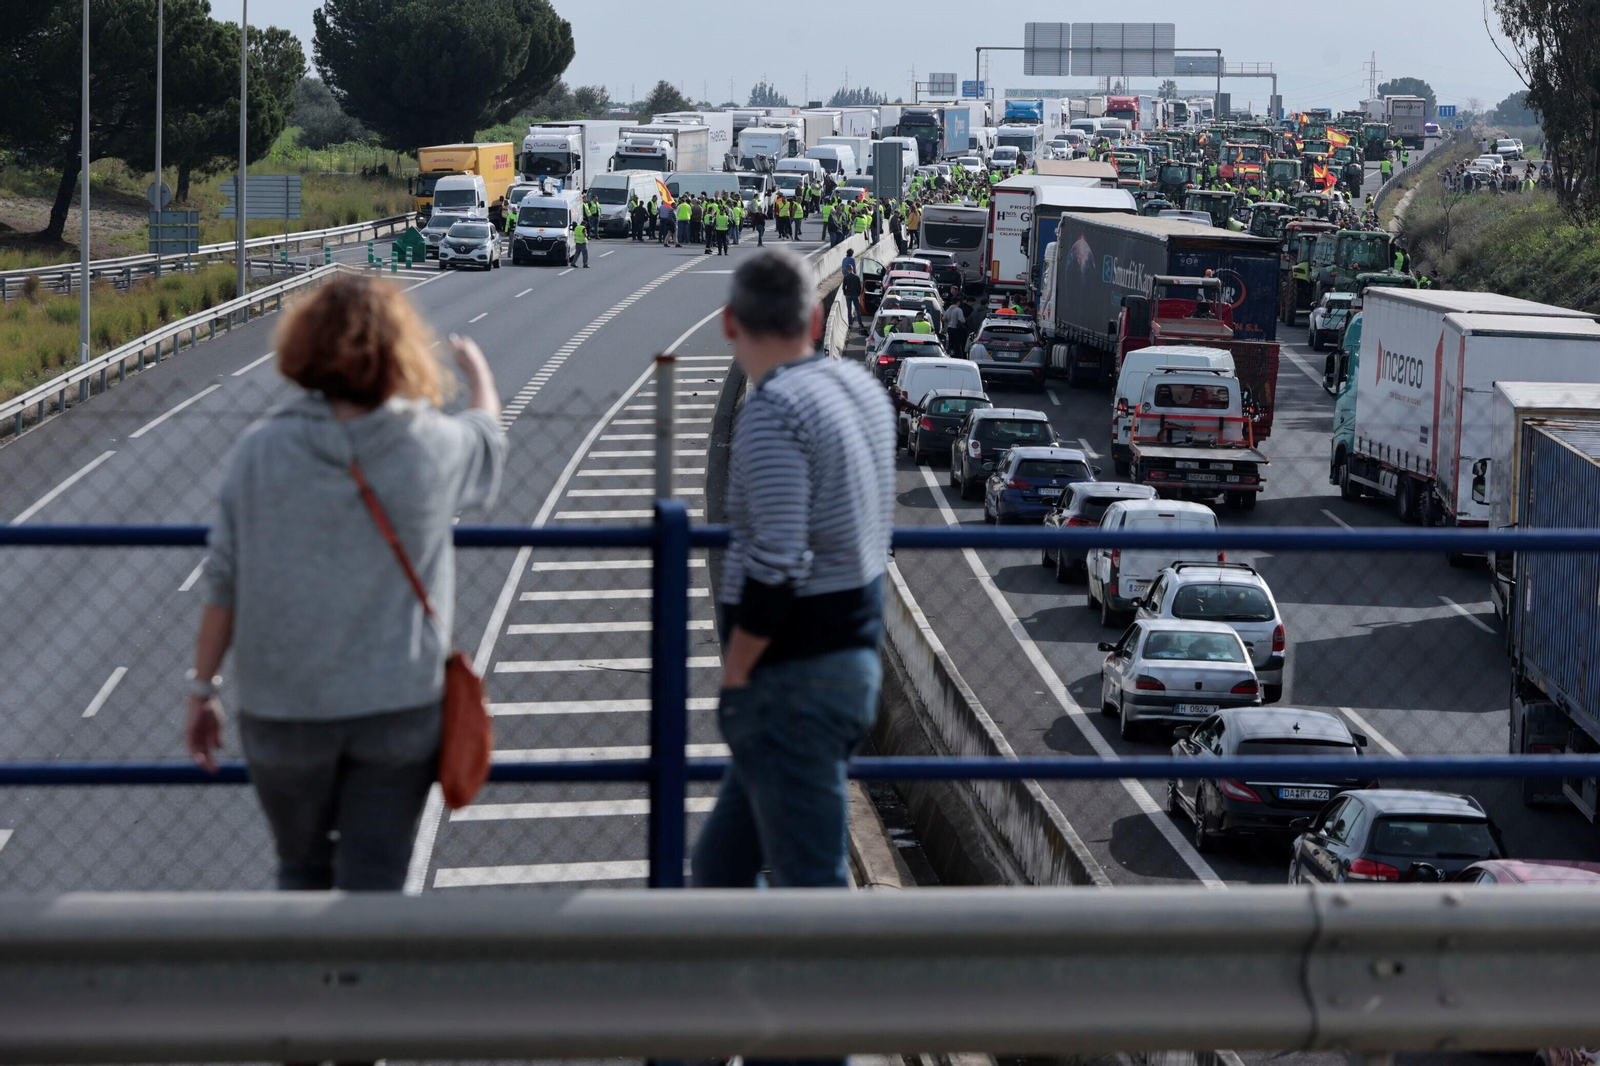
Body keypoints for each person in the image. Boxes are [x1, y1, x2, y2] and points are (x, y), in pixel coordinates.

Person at [185, 275, 507, 891]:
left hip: (283, 712)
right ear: (403, 351)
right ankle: (368, 985)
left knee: (300, 870)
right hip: (398, 708)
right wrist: (479, 375)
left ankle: (304, 986)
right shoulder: (427, 445)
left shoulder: (259, 451)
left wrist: (202, 689)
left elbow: (223, 580)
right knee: (377, 884)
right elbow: (489, 442)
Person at [692, 247, 894, 894]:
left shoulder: (772, 412)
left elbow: (778, 559)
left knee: (812, 886)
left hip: (791, 682)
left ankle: (822, 996)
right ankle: (746, 992)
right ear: (814, 320)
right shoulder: (863, 391)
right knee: (721, 866)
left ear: (730, 324)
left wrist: (738, 667)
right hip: (852, 661)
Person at [840, 256, 862, 328]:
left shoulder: (846, 277)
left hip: (848, 295)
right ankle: (860, 323)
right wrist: (858, 293)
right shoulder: (856, 277)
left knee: (849, 311)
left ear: (847, 269)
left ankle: (850, 324)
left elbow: (844, 287)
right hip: (855, 295)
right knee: (858, 310)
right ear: (852, 269)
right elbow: (859, 287)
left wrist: (845, 293)